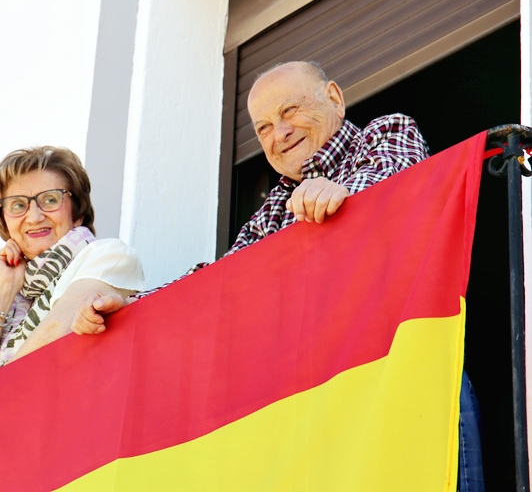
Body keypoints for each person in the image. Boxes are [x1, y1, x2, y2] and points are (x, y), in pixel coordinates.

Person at [71, 60, 484, 491]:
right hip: (334, 412)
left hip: (410, 381)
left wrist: (346, 196)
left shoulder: (384, 134)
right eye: (264, 127)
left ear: (335, 98)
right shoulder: (272, 209)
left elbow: (395, 179)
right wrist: (128, 310)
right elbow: (216, 282)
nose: (279, 133)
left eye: (290, 111)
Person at [0, 146, 145, 389]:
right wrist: (4, 288)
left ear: (78, 213)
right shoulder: (17, 295)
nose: (34, 217)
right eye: (18, 205)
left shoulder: (109, 255)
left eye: (50, 200)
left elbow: (53, 337)